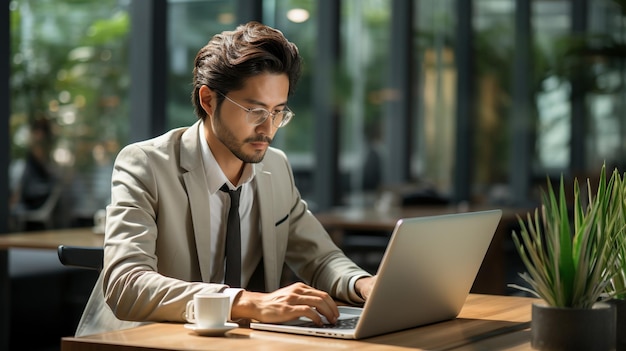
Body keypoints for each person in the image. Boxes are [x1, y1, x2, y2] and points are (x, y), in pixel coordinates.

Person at [76, 21, 376, 336]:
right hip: (146, 339)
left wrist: (365, 284)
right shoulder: (147, 164)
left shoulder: (275, 167)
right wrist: (247, 303)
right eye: (255, 110)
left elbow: (320, 257)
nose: (268, 128)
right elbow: (127, 284)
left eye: (278, 112)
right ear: (208, 100)